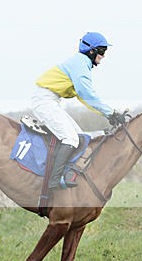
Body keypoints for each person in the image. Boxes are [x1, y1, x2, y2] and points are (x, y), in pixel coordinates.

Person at [32, 32, 125, 189]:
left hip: (51, 101)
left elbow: (84, 98)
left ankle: (67, 174)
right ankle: (52, 181)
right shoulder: (80, 64)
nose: (103, 56)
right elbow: (87, 94)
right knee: (70, 139)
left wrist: (107, 114)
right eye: (102, 51)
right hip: (45, 101)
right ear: (91, 51)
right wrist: (111, 113)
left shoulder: (81, 64)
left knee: (81, 137)